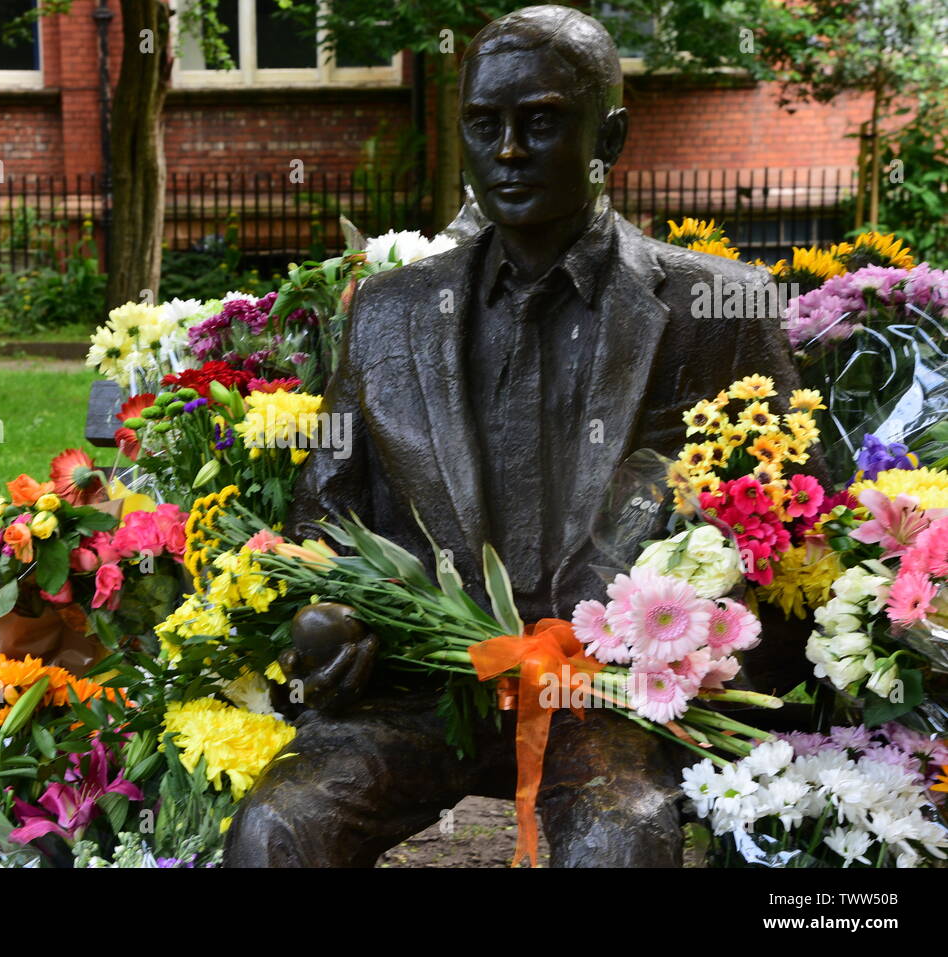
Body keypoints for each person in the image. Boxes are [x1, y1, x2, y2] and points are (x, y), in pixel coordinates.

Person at [223, 5, 808, 868]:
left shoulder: (714, 309)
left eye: (540, 123)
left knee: (619, 839)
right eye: (484, 125)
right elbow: (327, 513)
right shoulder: (390, 311)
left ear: (609, 135)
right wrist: (332, 616)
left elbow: (788, 530)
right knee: (277, 831)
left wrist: (710, 649)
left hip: (612, 693)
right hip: (428, 680)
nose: (506, 151)